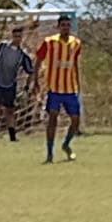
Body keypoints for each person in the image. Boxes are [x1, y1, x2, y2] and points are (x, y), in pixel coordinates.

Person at [35, 13, 81, 162]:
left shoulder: (76, 43)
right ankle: (49, 153)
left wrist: (78, 83)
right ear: (58, 27)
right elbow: (38, 60)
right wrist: (35, 79)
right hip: (54, 89)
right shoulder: (49, 42)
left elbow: (75, 63)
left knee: (75, 120)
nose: (65, 28)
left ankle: (66, 144)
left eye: (68, 25)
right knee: (53, 118)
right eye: (63, 25)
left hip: (70, 89)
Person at [0, 24, 36, 143]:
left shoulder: (23, 55)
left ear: (22, 38)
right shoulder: (2, 47)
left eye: (19, 36)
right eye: (15, 36)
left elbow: (31, 72)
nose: (17, 39)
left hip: (11, 84)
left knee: (10, 110)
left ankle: (12, 137)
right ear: (12, 36)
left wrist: (26, 88)